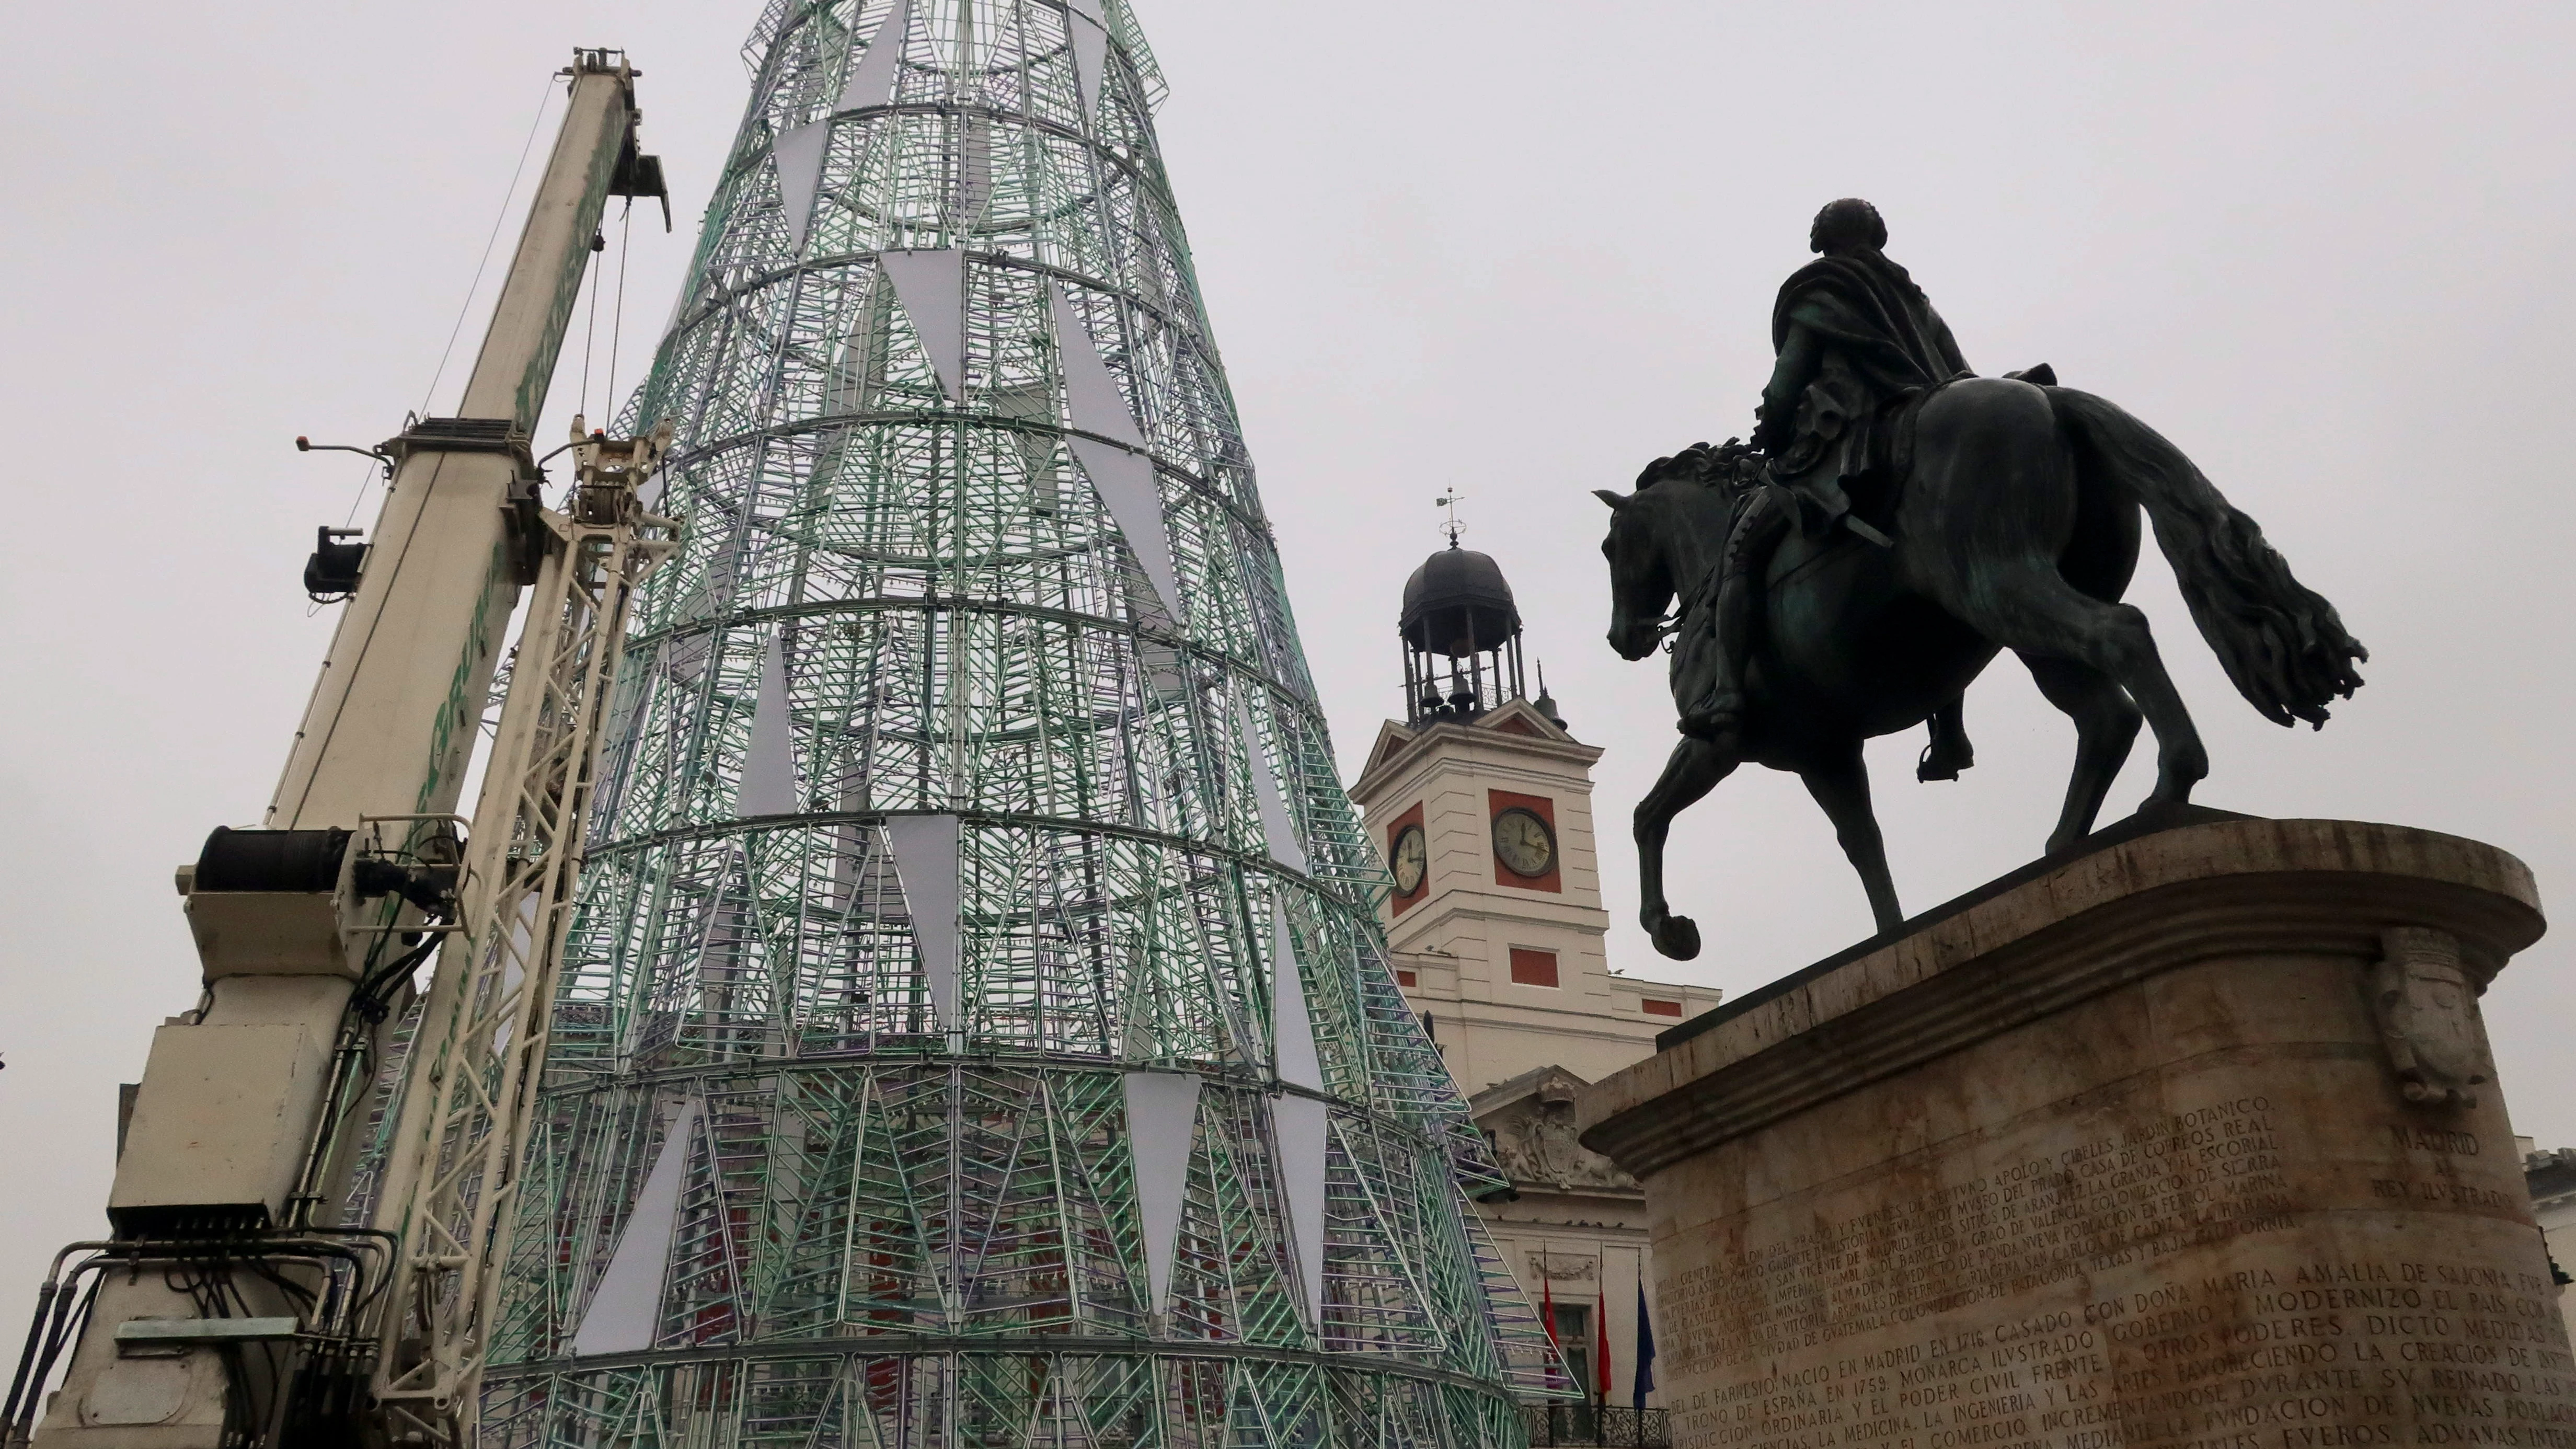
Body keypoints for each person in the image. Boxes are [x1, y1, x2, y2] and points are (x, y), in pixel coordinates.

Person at [1682, 199, 1977, 777]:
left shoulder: (1820, 292)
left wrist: (1768, 429)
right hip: (1920, 431)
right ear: (1877, 235)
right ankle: (1950, 733)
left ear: (1822, 241)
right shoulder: (1914, 300)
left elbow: (1787, 381)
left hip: (1845, 442)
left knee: (1738, 553)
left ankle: (1724, 694)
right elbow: (1959, 373)